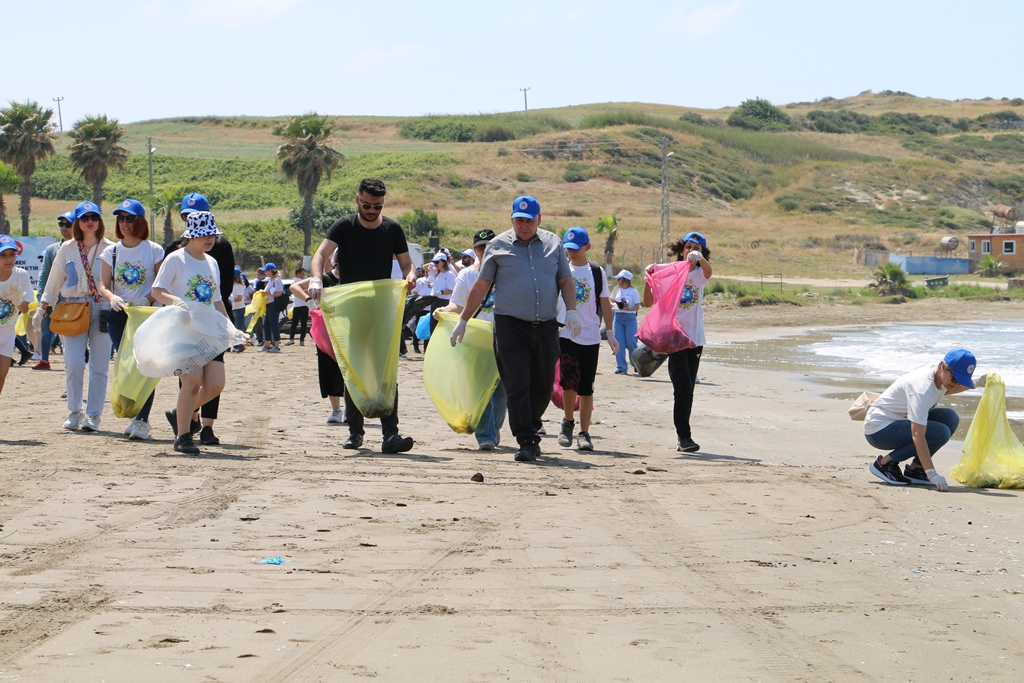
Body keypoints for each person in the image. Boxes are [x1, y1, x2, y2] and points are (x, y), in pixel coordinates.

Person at [451, 196, 582, 463]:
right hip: (510, 326)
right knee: (517, 383)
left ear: (539, 219)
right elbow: (481, 286)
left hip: (546, 326)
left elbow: (566, 280)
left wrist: (571, 310)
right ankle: (526, 439)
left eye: (529, 220)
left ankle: (531, 424)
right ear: (512, 220)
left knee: (543, 384)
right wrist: (463, 319)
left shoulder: (553, 243)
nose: (524, 226)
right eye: (518, 220)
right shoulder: (497, 246)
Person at [307, 177, 417, 454]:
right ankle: (355, 433)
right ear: (357, 200)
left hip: (381, 310)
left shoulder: (392, 229)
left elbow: (406, 264)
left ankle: (390, 434)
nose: (372, 211)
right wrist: (317, 279)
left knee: (385, 372)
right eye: (367, 205)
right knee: (353, 371)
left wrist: (411, 276)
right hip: (349, 311)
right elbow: (320, 255)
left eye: (377, 206)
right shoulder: (344, 226)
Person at [152, 211, 230, 454]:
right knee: (192, 382)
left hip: (209, 331)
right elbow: (157, 290)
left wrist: (229, 328)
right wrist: (175, 301)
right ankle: (183, 435)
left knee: (216, 384)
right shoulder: (175, 259)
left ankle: (180, 413)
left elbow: (217, 300)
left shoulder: (212, 263)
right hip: (184, 330)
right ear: (191, 236)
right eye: (204, 235)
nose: (209, 239)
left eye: (212, 235)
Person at [38, 201, 115, 432]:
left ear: (99, 221)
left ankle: (93, 415)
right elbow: (55, 279)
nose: (89, 221)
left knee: (99, 365)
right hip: (72, 305)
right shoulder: (67, 248)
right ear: (77, 223)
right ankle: (74, 411)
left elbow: (116, 282)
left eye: (94, 217)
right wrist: (44, 305)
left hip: (102, 307)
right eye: (84, 218)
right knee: (72, 364)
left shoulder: (111, 248)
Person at [865, 348, 985, 491]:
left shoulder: (939, 375)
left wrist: (977, 382)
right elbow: (917, 435)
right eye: (955, 379)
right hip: (880, 430)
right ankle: (884, 464)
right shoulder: (922, 388)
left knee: (950, 418)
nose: (956, 384)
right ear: (942, 367)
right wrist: (932, 474)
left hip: (898, 421)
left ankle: (916, 469)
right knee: (940, 432)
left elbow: (948, 389)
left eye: (961, 381)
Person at [98, 198, 164, 440]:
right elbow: (103, 285)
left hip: (145, 316)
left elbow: (161, 284)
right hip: (119, 315)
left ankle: (142, 420)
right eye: (121, 219)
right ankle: (131, 412)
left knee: (145, 366)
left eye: (130, 218)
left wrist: (147, 299)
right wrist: (112, 297)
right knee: (127, 366)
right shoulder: (111, 251)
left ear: (141, 221)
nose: (124, 223)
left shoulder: (154, 250)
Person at [435, 229, 506, 450]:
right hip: (475, 339)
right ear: (474, 249)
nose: (484, 251)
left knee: (501, 392)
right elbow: (457, 304)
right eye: (480, 247)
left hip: (502, 337)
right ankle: (485, 435)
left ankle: (495, 427)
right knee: (479, 388)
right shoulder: (466, 275)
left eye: (489, 246)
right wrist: (444, 310)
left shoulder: (507, 272)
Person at [643, 231, 713, 453]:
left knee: (688, 388)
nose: (692, 251)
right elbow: (647, 302)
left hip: (695, 338)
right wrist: (648, 278)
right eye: (689, 247)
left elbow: (710, 273)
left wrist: (700, 260)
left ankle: (683, 436)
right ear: (681, 251)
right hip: (674, 336)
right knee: (682, 385)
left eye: (697, 248)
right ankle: (684, 436)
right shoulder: (669, 273)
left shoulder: (700, 273)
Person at [178, 193, 234, 445]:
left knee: (214, 377)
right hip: (186, 325)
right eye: (186, 216)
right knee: (190, 379)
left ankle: (208, 425)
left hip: (213, 320)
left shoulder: (220, 248)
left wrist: (223, 322)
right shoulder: (175, 250)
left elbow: (222, 291)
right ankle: (186, 423)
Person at [555, 227, 618, 451]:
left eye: (576, 248)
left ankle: (584, 433)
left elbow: (604, 303)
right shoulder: (560, 269)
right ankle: (567, 422)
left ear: (587, 247)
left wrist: (609, 332)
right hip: (566, 333)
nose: (572, 253)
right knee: (568, 380)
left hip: (590, 335)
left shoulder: (596, 272)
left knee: (586, 387)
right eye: (568, 249)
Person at [290, 272, 346, 424]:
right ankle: (336, 410)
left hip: (347, 329)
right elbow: (294, 287)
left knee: (348, 369)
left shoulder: (353, 277)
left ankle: (350, 409)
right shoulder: (324, 278)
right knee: (327, 367)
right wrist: (309, 300)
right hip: (324, 329)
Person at [32, 210, 76, 370]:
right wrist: (41, 303)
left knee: (74, 337)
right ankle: (44, 359)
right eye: (61, 224)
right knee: (47, 330)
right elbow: (45, 276)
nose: (64, 227)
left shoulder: (82, 248)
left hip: (76, 302)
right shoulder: (52, 250)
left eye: (68, 224)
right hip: (55, 300)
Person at [0, 235, 34, 396]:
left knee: (1, 378)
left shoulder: (20, 275)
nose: (8, 259)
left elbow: (26, 309)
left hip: (6, 336)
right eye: (3, 255)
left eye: (12, 254)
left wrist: (17, 300)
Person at [610, 270, 642, 375]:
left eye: (619, 278)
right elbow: (611, 301)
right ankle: (621, 367)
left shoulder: (633, 292)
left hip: (630, 318)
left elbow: (637, 306)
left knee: (631, 342)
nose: (618, 280)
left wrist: (628, 308)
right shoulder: (616, 290)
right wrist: (615, 305)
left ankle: (636, 365)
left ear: (625, 280)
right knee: (619, 343)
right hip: (618, 317)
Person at [260, 263, 284, 353]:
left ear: (270, 271)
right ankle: (267, 344)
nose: (265, 272)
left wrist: (267, 293)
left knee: (274, 325)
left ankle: (276, 345)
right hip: (269, 304)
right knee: (266, 325)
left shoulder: (276, 280)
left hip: (273, 304)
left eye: (266, 270)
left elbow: (279, 293)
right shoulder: (271, 280)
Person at [286, 266, 309, 346]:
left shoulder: (293, 282)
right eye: (302, 273)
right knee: (303, 324)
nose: (303, 275)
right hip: (304, 305)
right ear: (299, 274)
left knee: (294, 323)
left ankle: (291, 338)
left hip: (296, 306)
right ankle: (301, 340)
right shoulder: (302, 282)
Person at [230, 267, 247, 351]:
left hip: (238, 308)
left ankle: (239, 345)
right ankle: (234, 345)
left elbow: (239, 298)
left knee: (238, 327)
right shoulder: (232, 285)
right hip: (233, 308)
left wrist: (230, 300)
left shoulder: (239, 286)